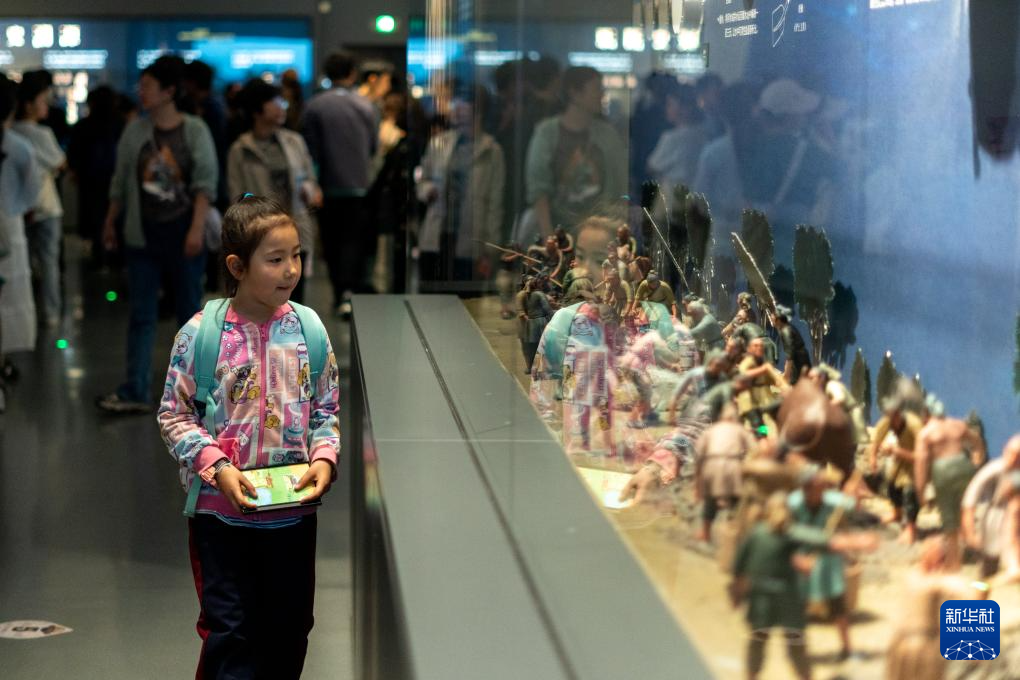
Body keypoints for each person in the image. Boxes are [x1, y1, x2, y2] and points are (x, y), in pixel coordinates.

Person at [157, 195, 340, 679]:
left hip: (292, 517)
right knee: (230, 633)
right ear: (237, 266)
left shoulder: (309, 329)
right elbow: (175, 415)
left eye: (296, 255)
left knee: (290, 629)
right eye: (275, 259)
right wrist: (217, 467)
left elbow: (325, 408)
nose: (290, 270)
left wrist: (324, 457)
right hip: (220, 518)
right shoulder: (201, 335)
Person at [97, 55, 218, 414]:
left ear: (169, 91)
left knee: (189, 316)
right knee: (142, 314)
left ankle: (196, 393)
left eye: (148, 86)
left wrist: (196, 228)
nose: (141, 91)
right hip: (143, 233)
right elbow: (121, 181)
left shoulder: (194, 129)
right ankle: (136, 388)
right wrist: (110, 221)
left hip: (183, 232)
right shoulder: (135, 130)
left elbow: (205, 184)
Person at [227, 78, 322, 304]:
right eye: (275, 102)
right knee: (264, 296)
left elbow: (309, 177)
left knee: (295, 295)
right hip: (261, 234)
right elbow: (236, 197)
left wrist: (311, 189)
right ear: (257, 110)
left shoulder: (293, 141)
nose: (282, 107)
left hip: (294, 225)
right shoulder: (240, 149)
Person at [302, 51, 378, 317]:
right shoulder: (366, 106)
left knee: (332, 241)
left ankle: (339, 293)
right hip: (360, 185)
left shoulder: (314, 106)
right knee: (354, 241)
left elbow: (310, 151)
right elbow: (373, 146)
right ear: (352, 74)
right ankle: (350, 291)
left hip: (328, 186)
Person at [524, 66, 626, 240]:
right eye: (596, 88)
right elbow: (538, 190)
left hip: (599, 235)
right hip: (557, 231)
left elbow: (619, 187)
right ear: (574, 93)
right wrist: (549, 238)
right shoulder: (547, 133)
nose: (602, 94)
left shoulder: (608, 135)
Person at [417, 90, 505, 286]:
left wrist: (490, 250)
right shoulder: (440, 143)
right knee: (431, 292)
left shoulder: (492, 151)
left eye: (464, 109)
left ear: (478, 113)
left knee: (464, 294)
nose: (457, 113)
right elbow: (423, 180)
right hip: (437, 234)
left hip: (470, 240)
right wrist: (428, 190)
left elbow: (495, 205)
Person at [0, 75, 43, 412]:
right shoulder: (17, 146)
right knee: (8, 300)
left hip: (10, 226)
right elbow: (32, 191)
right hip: (9, 226)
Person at [13, 70, 65, 328]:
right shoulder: (42, 134)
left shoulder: (11, 132)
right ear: (29, 104)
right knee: (48, 262)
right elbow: (60, 162)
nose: (47, 105)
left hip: (18, 208)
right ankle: (51, 313)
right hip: (46, 207)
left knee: (22, 263)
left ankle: (25, 313)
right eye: (43, 100)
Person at [914, 401, 983, 569]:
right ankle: (974, 550)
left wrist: (920, 491)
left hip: (943, 470)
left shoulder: (926, 433)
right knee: (965, 511)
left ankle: (953, 562)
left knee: (949, 519)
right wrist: (976, 462)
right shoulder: (957, 425)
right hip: (963, 466)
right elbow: (977, 442)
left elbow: (920, 463)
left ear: (926, 414)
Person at [68, 86, 125, 267]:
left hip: (90, 180)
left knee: (95, 218)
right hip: (115, 178)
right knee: (116, 216)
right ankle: (116, 256)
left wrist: (76, 172)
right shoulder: (121, 124)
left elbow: (73, 153)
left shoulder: (83, 126)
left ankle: (99, 255)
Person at [694, 410, 758, 542]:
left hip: (712, 463)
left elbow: (698, 454)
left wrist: (698, 480)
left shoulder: (711, 430)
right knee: (736, 499)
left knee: (710, 498)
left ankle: (705, 533)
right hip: (732, 463)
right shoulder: (740, 429)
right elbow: (755, 448)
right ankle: (733, 531)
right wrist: (762, 431)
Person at [961, 435, 1020, 576]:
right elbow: (970, 500)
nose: (1013, 459)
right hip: (994, 519)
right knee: (989, 566)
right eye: (1011, 453)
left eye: (1018, 456)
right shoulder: (993, 470)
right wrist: (970, 531)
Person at [868, 396, 924, 544]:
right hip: (900, 461)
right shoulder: (887, 421)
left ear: (898, 414)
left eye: (892, 416)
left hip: (918, 463)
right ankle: (897, 513)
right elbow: (877, 439)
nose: (889, 420)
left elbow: (922, 456)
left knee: (910, 492)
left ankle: (911, 527)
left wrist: (897, 451)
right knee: (892, 485)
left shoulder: (914, 425)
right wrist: (873, 459)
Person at [647, 83, 710, 190]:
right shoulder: (705, 133)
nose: (666, 109)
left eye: (670, 104)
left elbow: (652, 166)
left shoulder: (672, 138)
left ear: (685, 109)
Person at [771, 305, 812, 384]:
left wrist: (786, 374)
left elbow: (790, 355)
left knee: (797, 383)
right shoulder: (787, 328)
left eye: (773, 317)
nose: (771, 319)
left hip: (798, 360)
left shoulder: (785, 331)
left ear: (778, 319)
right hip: (800, 358)